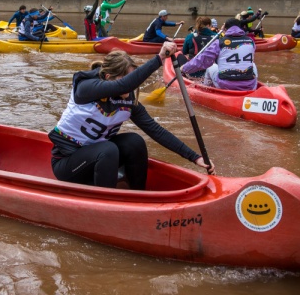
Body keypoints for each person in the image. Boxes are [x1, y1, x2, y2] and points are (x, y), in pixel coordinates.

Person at [48, 41, 215, 190]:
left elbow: (156, 131)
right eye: (127, 78)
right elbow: (124, 85)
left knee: (134, 141)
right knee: (108, 149)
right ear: (108, 78)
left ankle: (137, 193)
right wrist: (160, 58)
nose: (130, 89)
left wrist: (195, 157)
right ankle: (105, 201)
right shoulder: (85, 88)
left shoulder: (128, 102)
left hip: (99, 160)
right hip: (68, 163)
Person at [181, 18, 258, 91]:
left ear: (225, 29)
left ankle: (206, 89)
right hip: (250, 85)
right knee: (253, 65)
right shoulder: (251, 41)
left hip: (226, 85)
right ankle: (253, 90)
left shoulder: (219, 43)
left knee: (211, 67)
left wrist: (184, 68)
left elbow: (202, 61)